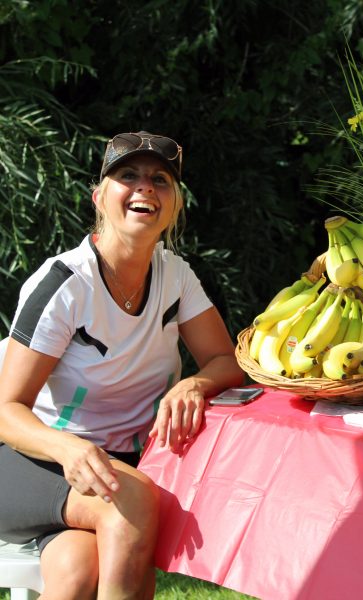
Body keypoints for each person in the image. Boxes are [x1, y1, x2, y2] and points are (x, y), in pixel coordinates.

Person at [0, 131, 245, 599]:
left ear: (174, 205)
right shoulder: (65, 284)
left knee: (76, 573)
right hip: (35, 462)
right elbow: (6, 411)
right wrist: (69, 449)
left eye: (160, 180)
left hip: (124, 465)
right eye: (127, 175)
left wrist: (193, 384)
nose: (145, 187)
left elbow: (225, 361)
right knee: (132, 499)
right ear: (99, 197)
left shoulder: (176, 276)